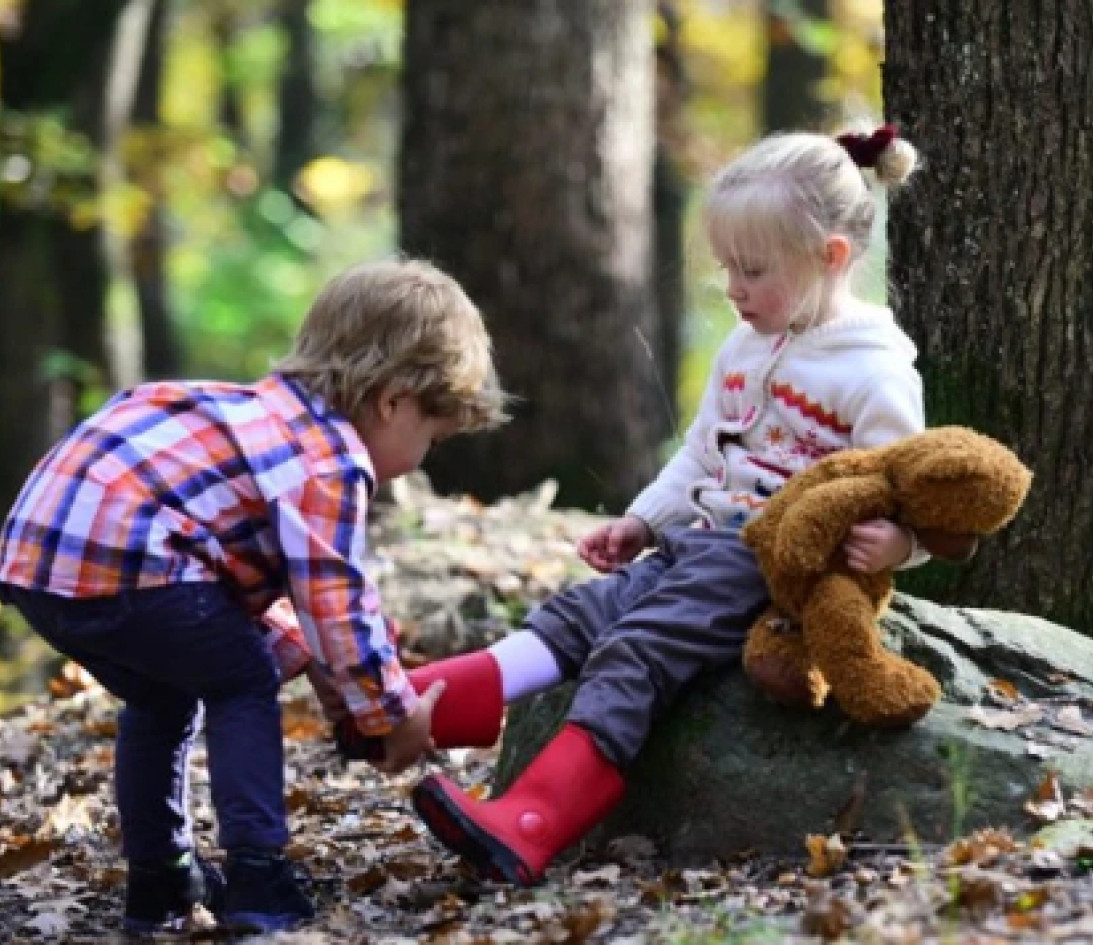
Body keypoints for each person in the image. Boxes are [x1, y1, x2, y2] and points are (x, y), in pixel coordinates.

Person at [340, 124, 948, 885]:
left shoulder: (874, 371)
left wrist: (898, 545)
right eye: (727, 267)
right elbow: (698, 452)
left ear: (831, 257)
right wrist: (642, 520)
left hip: (769, 563)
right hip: (699, 541)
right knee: (580, 615)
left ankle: (532, 820)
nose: (733, 288)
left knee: (636, 651)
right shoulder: (746, 343)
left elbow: (916, 487)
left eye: (753, 270)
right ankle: (420, 704)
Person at [0, 258, 506, 933]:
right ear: (393, 400)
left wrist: (329, 673)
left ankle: (162, 877)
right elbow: (335, 599)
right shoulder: (330, 457)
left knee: (162, 690)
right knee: (241, 679)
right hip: (123, 557)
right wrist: (389, 711)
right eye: (431, 438)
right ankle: (260, 878)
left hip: (42, 559)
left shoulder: (249, 414)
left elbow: (256, 590)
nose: (422, 458)